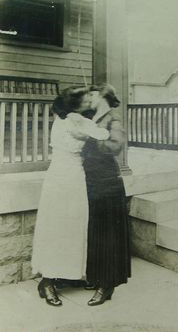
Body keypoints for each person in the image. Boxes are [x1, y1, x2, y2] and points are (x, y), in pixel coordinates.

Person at [31, 86, 109, 307]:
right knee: (56, 225)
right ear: (75, 104)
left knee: (71, 225)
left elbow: (97, 133)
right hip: (63, 177)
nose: (88, 101)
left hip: (70, 176)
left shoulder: (71, 119)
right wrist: (97, 117)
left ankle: (64, 274)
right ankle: (46, 282)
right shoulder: (71, 121)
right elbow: (102, 134)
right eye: (85, 99)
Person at [82, 84, 131, 306]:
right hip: (91, 181)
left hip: (108, 183)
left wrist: (92, 138)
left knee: (108, 234)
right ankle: (97, 277)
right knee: (96, 231)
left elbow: (115, 146)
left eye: (91, 94)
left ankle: (107, 285)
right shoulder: (92, 117)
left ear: (102, 96)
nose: (88, 98)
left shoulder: (113, 119)